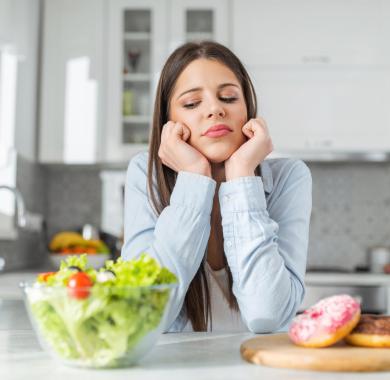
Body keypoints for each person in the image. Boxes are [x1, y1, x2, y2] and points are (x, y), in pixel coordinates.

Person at [121, 41, 312, 333]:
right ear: (169, 122)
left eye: (228, 97)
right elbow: (140, 315)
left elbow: (268, 314)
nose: (215, 109)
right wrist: (195, 178)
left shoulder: (291, 177)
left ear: (248, 110)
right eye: (191, 103)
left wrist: (242, 177)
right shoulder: (144, 174)